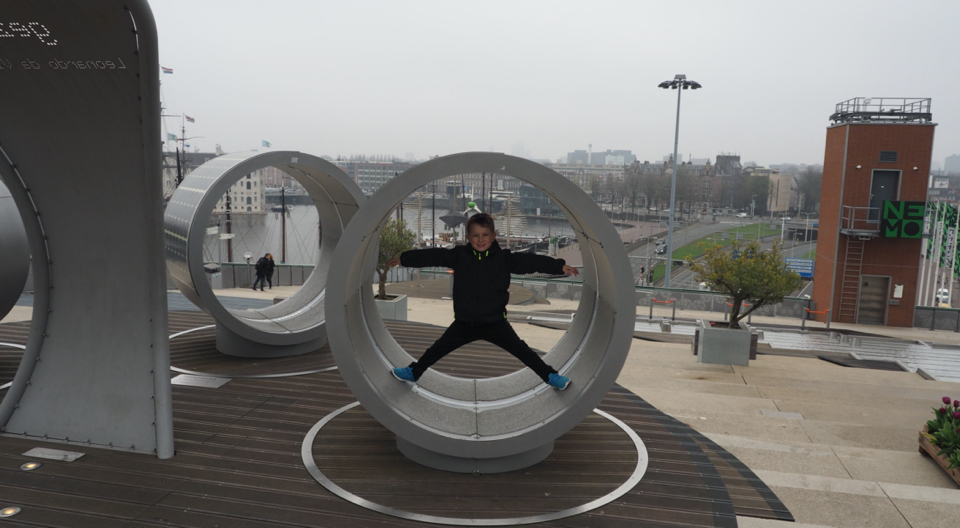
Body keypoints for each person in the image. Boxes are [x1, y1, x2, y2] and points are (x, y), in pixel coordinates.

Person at [386, 213, 579, 390]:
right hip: (464, 323)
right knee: (436, 349)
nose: (480, 240)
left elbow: (531, 261)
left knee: (524, 352)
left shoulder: (504, 259)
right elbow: (433, 255)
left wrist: (558, 266)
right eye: (476, 235)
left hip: (495, 323)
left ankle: (551, 377)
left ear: (494, 236)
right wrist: (405, 259)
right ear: (468, 237)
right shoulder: (459, 256)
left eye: (485, 235)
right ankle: (414, 372)